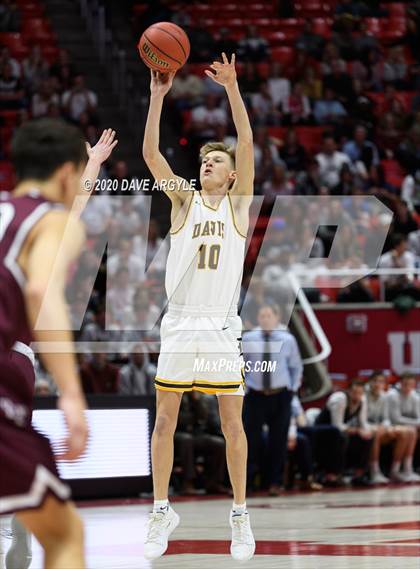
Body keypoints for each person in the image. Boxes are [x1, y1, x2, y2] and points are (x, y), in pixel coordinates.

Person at [142, 53, 255, 561]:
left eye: (217, 162)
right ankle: (161, 509)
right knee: (164, 421)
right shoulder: (183, 201)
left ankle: (239, 515)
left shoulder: (237, 206)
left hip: (218, 327)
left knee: (232, 423)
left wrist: (232, 89)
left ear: (231, 178)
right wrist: (157, 98)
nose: (207, 163)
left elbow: (247, 145)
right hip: (180, 323)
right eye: (205, 160)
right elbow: (150, 154)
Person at [0, 121, 117, 569]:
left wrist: (91, 164)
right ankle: (16, 529)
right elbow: (38, 295)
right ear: (65, 173)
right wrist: (71, 393)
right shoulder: (49, 222)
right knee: (66, 535)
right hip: (11, 358)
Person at [243, 303, 303, 496]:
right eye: (262, 315)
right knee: (250, 439)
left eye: (269, 315)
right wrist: (244, 389)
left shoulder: (288, 340)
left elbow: (296, 367)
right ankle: (248, 481)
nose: (266, 319)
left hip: (280, 395)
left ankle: (274, 482)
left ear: (277, 318)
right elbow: (240, 365)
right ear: (258, 318)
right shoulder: (249, 338)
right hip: (255, 395)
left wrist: (291, 390)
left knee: (278, 440)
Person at [316, 379, 373, 485]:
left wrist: (366, 431)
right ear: (349, 391)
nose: (357, 396)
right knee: (340, 437)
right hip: (323, 430)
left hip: (340, 431)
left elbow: (363, 422)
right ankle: (332, 475)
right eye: (354, 393)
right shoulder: (340, 399)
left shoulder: (362, 400)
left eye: (360, 393)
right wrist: (357, 431)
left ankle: (359, 474)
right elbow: (337, 425)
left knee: (367, 437)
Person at [366, 371, 419, 483]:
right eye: (375, 381)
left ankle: (402, 470)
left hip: (384, 427)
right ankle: (375, 471)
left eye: (380, 382)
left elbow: (386, 418)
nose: (377, 384)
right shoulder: (390, 395)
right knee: (378, 433)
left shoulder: (384, 396)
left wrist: (386, 427)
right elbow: (395, 418)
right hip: (368, 428)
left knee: (410, 431)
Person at [387, 373, 420, 481]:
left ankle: (408, 469)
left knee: (412, 431)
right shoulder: (393, 395)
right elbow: (396, 419)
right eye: (405, 384)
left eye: (411, 384)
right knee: (410, 431)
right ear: (400, 383)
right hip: (391, 425)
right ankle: (394, 471)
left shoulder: (414, 396)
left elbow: (418, 416)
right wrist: (415, 423)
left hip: (408, 427)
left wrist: (416, 423)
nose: (408, 387)